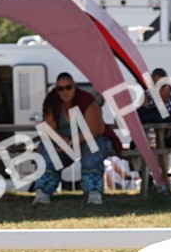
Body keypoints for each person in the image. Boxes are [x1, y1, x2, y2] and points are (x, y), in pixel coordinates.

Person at [32, 73, 115, 207]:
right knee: (46, 150)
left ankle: (94, 193)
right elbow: (47, 128)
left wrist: (71, 142)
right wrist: (61, 141)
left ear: (74, 87)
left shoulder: (87, 100)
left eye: (68, 87)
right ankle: (43, 192)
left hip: (89, 139)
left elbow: (96, 129)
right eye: (60, 88)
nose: (64, 91)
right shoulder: (51, 101)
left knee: (93, 151)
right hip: (64, 142)